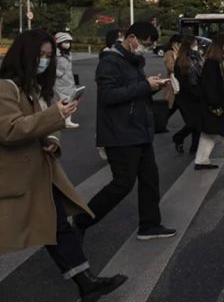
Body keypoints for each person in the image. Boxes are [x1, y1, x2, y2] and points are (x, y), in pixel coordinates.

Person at [0, 30, 126, 301]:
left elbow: (44, 125)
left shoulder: (31, 88)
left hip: (32, 174)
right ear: (24, 55)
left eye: (48, 56)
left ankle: (86, 283)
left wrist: (53, 140)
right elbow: (9, 130)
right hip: (0, 179)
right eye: (40, 55)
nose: (44, 61)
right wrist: (56, 115)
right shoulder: (2, 88)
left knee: (56, 226)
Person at [74, 22, 176, 241]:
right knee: (122, 184)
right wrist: (145, 86)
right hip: (120, 132)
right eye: (145, 44)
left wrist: (153, 86)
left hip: (139, 130)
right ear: (131, 38)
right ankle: (82, 221)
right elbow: (110, 96)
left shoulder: (132, 61)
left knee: (150, 180)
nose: (145, 48)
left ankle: (149, 225)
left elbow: (134, 92)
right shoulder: (109, 62)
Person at [194, 33, 224, 170]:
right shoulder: (213, 63)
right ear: (220, 45)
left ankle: (201, 160)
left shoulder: (221, 61)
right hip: (218, 102)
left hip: (220, 101)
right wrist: (215, 104)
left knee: (211, 133)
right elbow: (209, 86)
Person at [169, 34, 203, 154]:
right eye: (194, 44)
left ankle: (194, 148)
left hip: (197, 93)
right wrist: (194, 90)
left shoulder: (198, 57)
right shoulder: (182, 60)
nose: (196, 46)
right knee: (193, 123)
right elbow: (182, 79)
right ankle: (179, 137)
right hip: (186, 96)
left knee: (198, 123)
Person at [53, 32, 80, 129]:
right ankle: (64, 121)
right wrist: (59, 73)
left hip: (69, 81)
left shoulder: (68, 54)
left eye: (68, 42)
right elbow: (51, 67)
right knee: (63, 100)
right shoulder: (55, 54)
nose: (67, 44)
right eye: (65, 42)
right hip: (59, 82)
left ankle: (67, 120)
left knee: (71, 99)